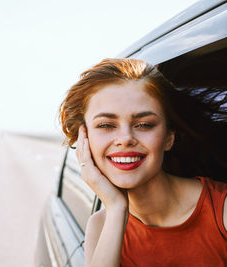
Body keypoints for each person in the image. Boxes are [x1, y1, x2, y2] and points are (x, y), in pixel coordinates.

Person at [58, 58, 227, 266]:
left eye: (144, 124)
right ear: (85, 140)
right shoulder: (102, 224)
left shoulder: (222, 210)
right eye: (106, 125)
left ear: (168, 137)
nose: (125, 138)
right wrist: (117, 208)